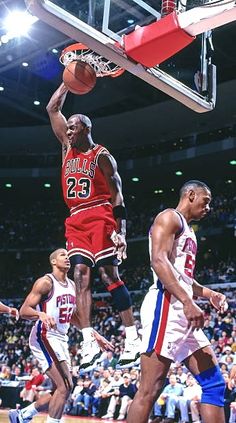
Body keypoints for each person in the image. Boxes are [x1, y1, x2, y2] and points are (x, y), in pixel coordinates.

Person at [46, 83, 140, 369]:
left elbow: (118, 195)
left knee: (108, 274)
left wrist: (121, 232)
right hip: (75, 217)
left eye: (74, 128)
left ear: (86, 129)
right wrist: (68, 82)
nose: (69, 132)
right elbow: (52, 108)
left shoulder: (102, 156)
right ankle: (88, 343)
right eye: (69, 128)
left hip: (100, 213)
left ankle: (132, 338)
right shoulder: (66, 148)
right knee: (80, 274)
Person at [127, 180, 228, 423]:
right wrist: (186, 301)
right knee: (150, 390)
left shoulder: (189, 231)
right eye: (206, 202)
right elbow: (159, 261)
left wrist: (209, 294)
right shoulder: (169, 217)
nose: (208, 208)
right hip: (165, 305)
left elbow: (183, 278)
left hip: (180, 307)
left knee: (215, 385)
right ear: (191, 195)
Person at [8, 248, 112, 423]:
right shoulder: (46, 283)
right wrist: (40, 314)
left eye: (68, 255)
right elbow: (24, 310)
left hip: (61, 338)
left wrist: (95, 335)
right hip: (44, 335)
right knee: (65, 386)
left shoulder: (72, 286)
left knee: (63, 387)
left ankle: (22, 415)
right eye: (62, 255)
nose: (67, 257)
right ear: (53, 261)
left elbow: (72, 317)